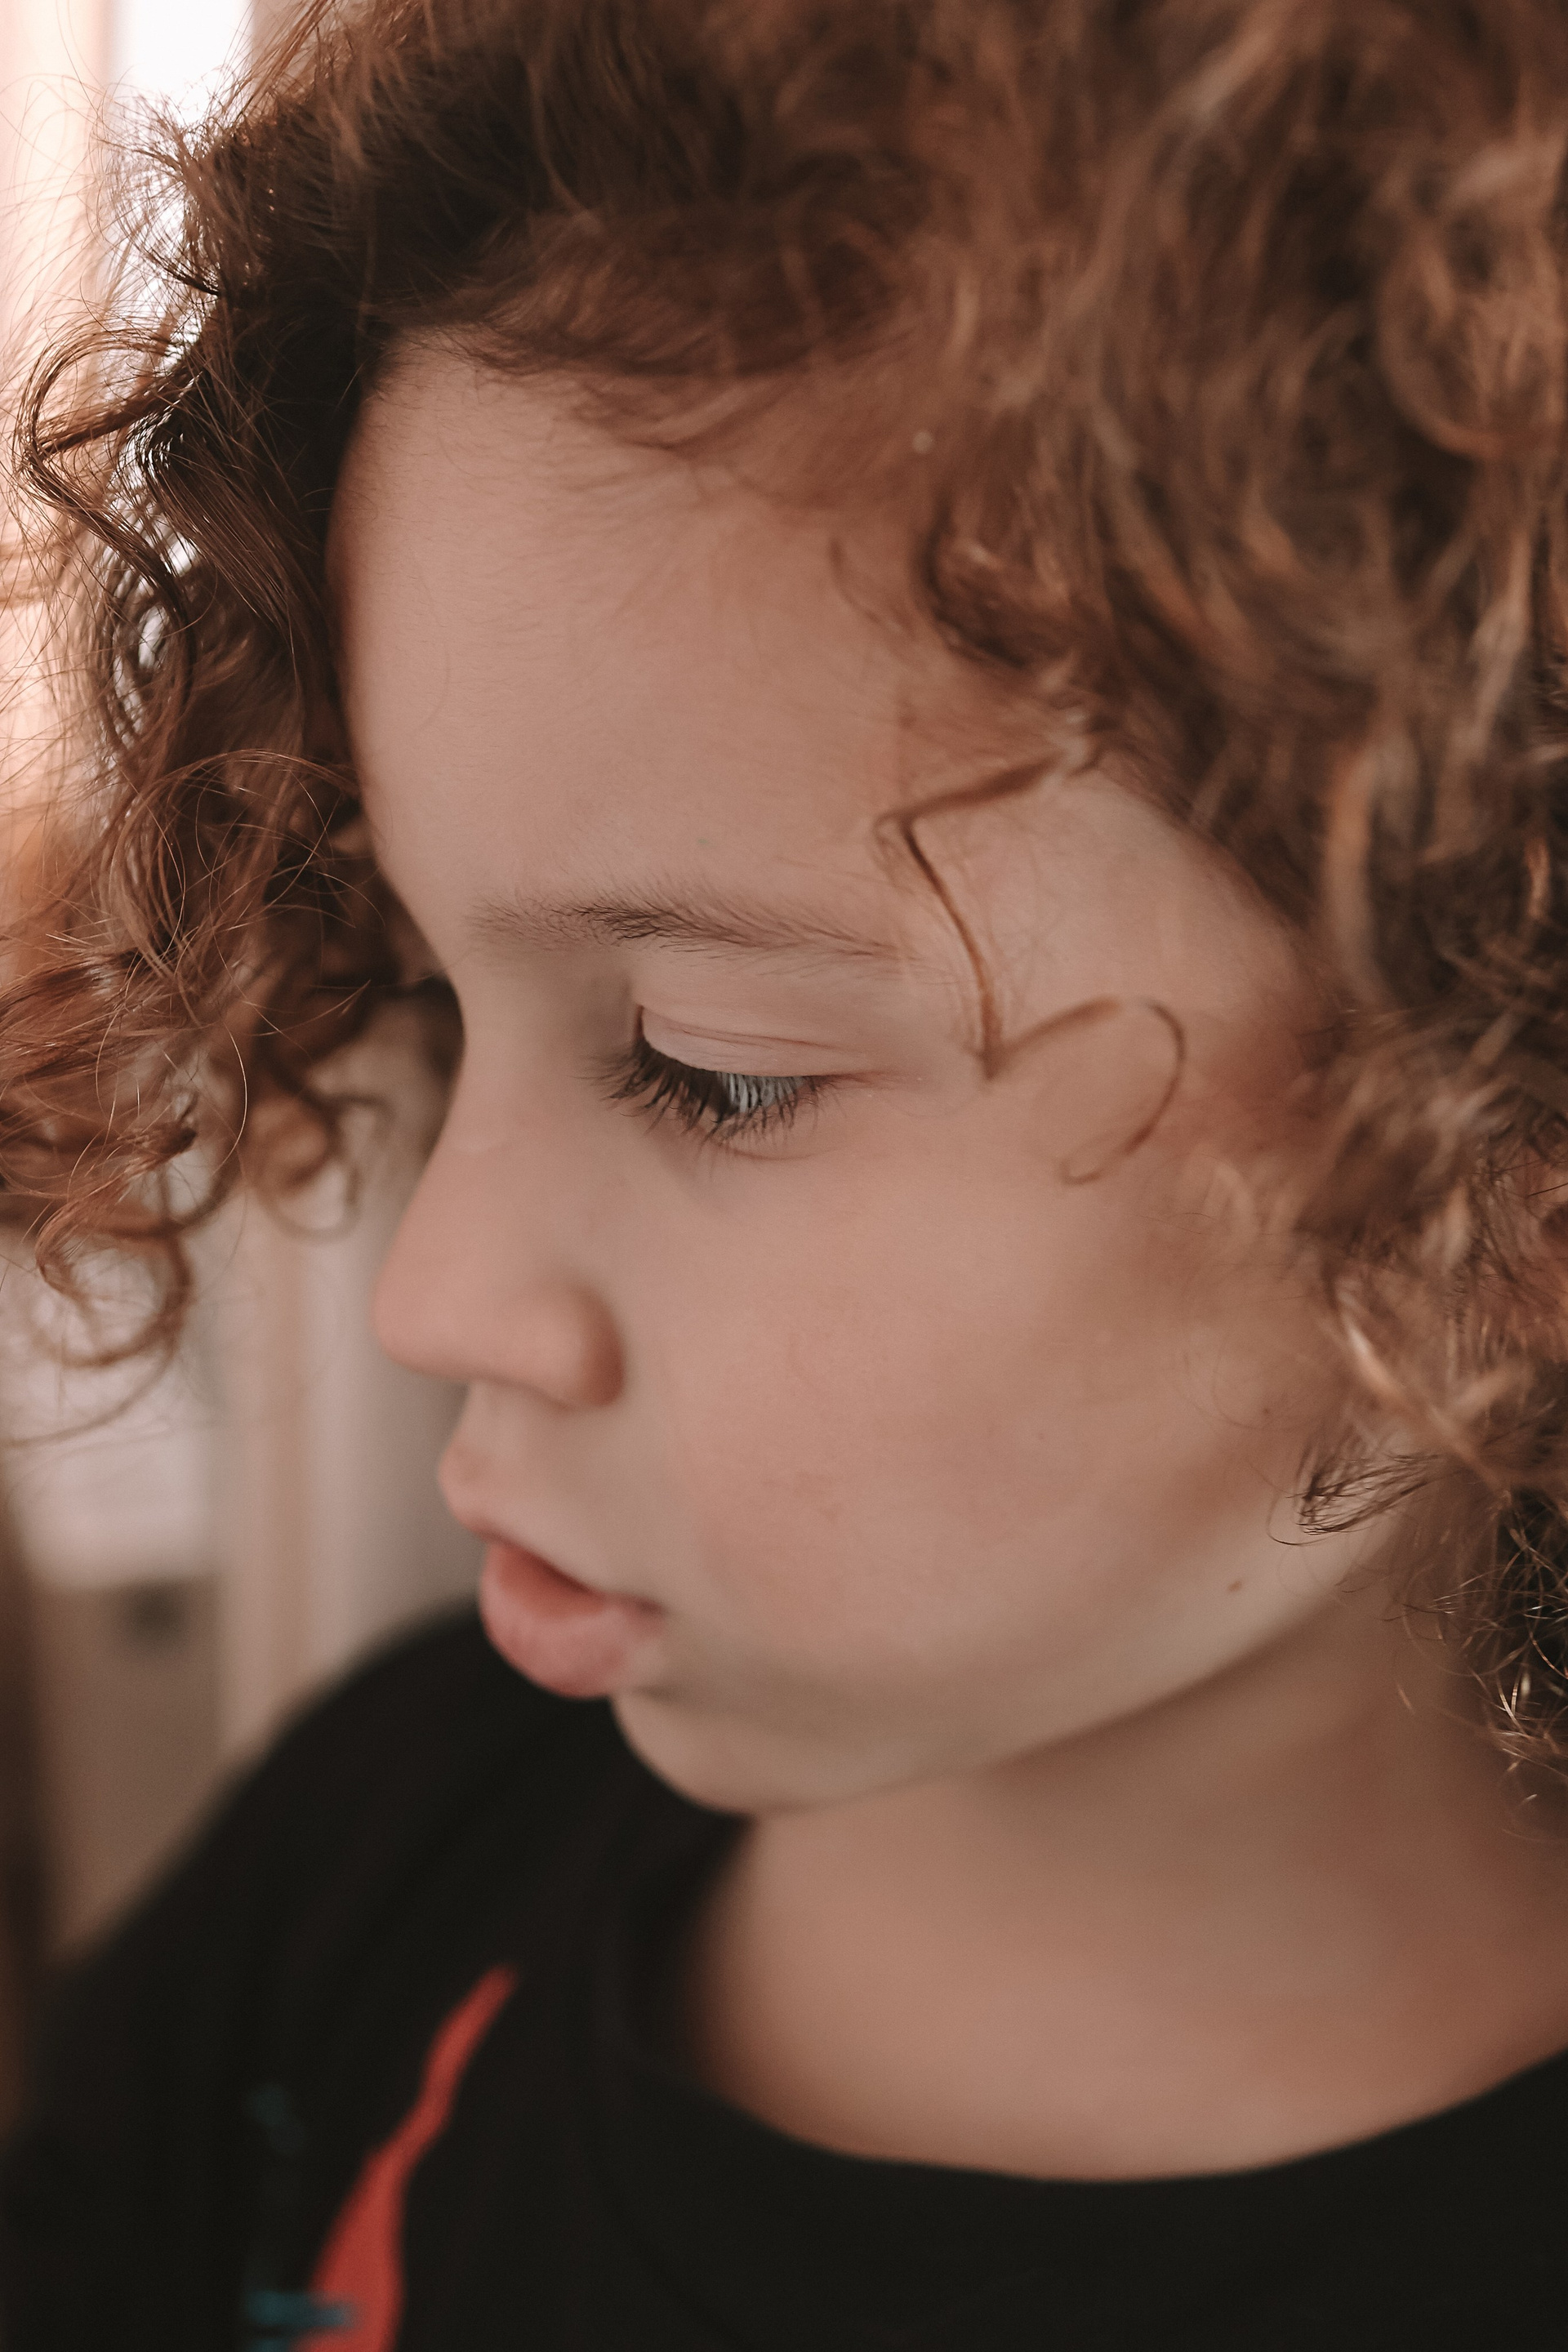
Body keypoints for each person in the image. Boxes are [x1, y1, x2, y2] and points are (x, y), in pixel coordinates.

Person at [6, 0, 1568, 2343]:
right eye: (430, 996)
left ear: (1511, 1152)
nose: (437, 1298)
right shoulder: (384, 1863)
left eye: (712, 1074)